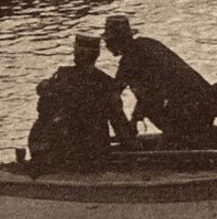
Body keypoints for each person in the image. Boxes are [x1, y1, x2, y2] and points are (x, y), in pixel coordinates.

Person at [102, 15, 216, 145]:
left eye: (108, 41)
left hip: (191, 106)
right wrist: (135, 120)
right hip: (206, 100)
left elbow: (116, 92)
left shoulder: (130, 59)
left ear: (117, 41)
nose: (106, 45)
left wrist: (130, 125)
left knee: (155, 111)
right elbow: (150, 92)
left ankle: (176, 142)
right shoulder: (148, 44)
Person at [28, 33, 136, 164]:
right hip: (92, 155)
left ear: (76, 54)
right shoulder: (106, 83)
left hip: (55, 151)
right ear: (96, 56)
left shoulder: (61, 77)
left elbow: (43, 112)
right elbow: (119, 123)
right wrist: (134, 147)